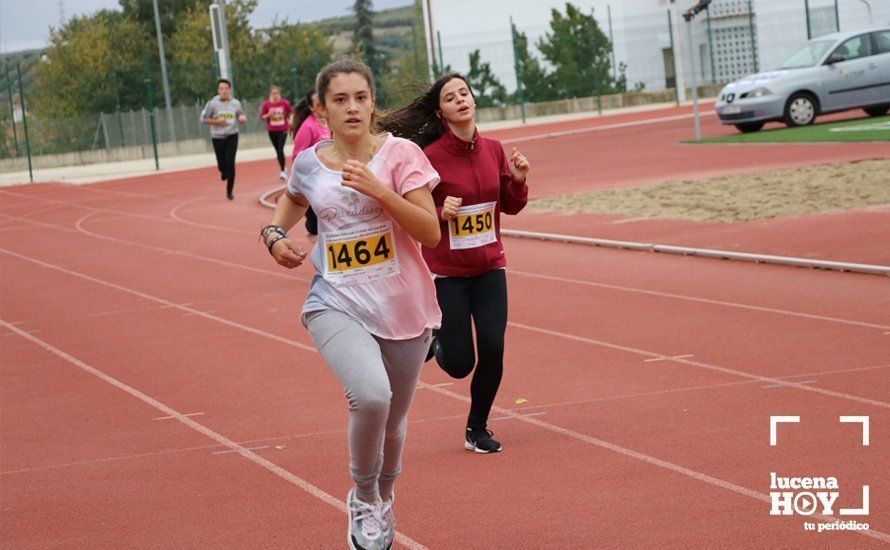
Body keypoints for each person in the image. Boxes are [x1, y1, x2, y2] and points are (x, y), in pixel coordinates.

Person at [261, 60, 441, 550]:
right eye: (340, 100)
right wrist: (274, 235)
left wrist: (380, 191)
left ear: (373, 102)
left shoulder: (401, 155)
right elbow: (294, 199)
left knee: (395, 419)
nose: (353, 107)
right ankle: (363, 498)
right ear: (321, 109)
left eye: (361, 97)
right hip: (334, 300)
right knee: (371, 397)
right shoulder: (309, 162)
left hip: (403, 306)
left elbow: (429, 230)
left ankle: (383, 496)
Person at [381, 73, 530, 454]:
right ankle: (438, 342)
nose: (461, 99)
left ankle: (476, 428)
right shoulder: (429, 159)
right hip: (448, 274)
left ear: (473, 100)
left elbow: (510, 206)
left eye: (465, 92)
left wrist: (518, 181)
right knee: (462, 363)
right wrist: (437, 211)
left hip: (491, 268)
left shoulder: (495, 149)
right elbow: (410, 216)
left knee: (494, 347)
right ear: (441, 112)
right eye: (451, 97)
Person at [289, 88, 330, 238]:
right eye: (317, 103)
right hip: (314, 181)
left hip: (331, 179)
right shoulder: (308, 127)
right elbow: (297, 157)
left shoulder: (332, 122)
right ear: (312, 107)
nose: (322, 106)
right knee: (314, 228)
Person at [201, 78, 246, 200]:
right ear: (218, 90)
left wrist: (242, 118)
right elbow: (203, 119)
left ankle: (229, 191)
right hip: (217, 137)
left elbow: (241, 114)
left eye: (226, 88)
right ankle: (222, 170)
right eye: (221, 88)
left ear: (230, 90)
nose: (224, 91)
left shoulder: (236, 103)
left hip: (232, 135)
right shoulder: (212, 103)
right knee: (222, 163)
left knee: (230, 163)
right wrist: (217, 121)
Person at [259, 85, 292, 181]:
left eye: (277, 93)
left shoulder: (284, 103)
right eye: (273, 93)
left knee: (280, 149)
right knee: (277, 151)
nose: (275, 95)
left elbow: (291, 111)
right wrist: (269, 114)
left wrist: (290, 119)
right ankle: (283, 167)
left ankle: (282, 171)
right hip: (272, 130)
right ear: (270, 94)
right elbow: (262, 117)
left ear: (280, 94)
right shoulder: (266, 104)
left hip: (283, 129)